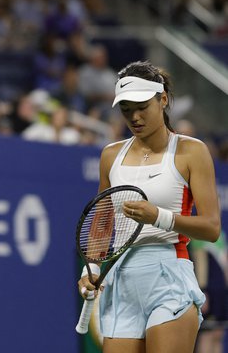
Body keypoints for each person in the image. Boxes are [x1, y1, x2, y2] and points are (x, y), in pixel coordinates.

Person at [78, 60, 220, 352]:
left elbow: (211, 228)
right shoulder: (110, 155)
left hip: (169, 277)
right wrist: (90, 269)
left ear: (163, 99)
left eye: (142, 106)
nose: (135, 117)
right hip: (123, 280)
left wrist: (159, 217)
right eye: (126, 109)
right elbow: (101, 225)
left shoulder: (192, 151)